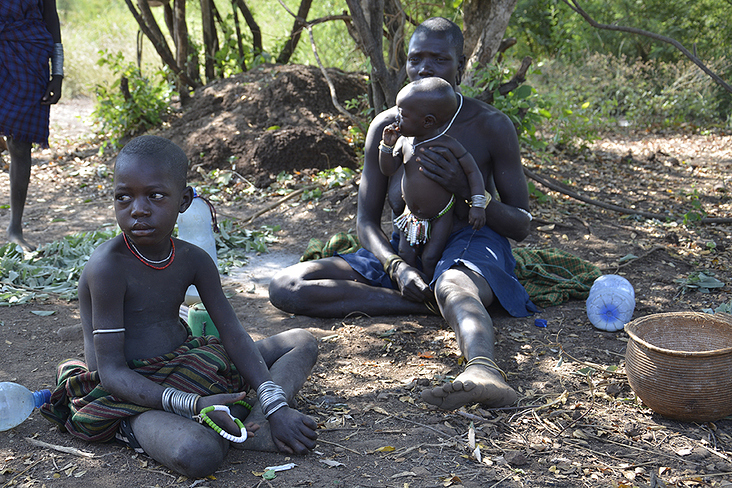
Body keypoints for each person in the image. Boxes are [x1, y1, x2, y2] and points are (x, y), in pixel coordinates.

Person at [269, 17, 537, 411]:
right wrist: (395, 266)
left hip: (470, 246)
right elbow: (365, 221)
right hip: (405, 247)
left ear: (460, 66)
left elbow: (521, 225)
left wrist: (467, 193)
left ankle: (483, 370)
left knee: (453, 286)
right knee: (286, 286)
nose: (424, 68)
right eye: (415, 59)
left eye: (439, 59)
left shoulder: (490, 126)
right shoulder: (388, 128)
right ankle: (426, 301)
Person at [41, 136, 318, 479]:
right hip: (130, 392)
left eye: (155, 196)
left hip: (188, 362)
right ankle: (210, 425)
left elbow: (232, 333)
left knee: (302, 340)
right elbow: (112, 372)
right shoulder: (108, 267)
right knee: (198, 453)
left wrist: (275, 403)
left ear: (184, 200)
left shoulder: (193, 260)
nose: (138, 209)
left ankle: (264, 416)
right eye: (123, 197)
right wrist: (195, 405)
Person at [379, 77, 487, 280]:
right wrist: (386, 146)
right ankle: (411, 290)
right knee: (405, 254)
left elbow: (473, 173)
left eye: (402, 114)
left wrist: (478, 205)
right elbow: (388, 169)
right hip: (410, 215)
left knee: (430, 257)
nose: (396, 118)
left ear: (427, 121)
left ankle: (432, 292)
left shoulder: (449, 145)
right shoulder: (403, 142)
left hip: (442, 215)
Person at [0, 0, 64, 251]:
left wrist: (57, 73)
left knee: (20, 143)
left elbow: (52, 18)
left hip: (29, 54)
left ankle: (15, 227)